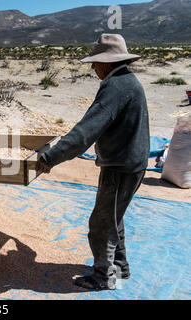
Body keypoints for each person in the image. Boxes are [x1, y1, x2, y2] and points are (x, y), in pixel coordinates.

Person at [36, 34, 150, 290]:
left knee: (100, 224)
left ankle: (103, 277)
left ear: (108, 62)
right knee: (113, 217)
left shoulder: (116, 86)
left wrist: (51, 157)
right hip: (131, 160)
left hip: (121, 165)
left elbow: (86, 131)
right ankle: (120, 267)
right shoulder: (126, 81)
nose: (92, 67)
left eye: (96, 62)